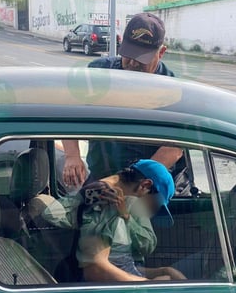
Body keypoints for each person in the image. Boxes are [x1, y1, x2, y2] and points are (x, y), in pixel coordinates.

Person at [62, 12, 183, 188]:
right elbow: (68, 109)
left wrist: (129, 186)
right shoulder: (98, 74)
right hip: (101, 178)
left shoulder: (173, 90)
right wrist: (72, 155)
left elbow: (173, 147)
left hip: (145, 185)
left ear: (161, 52)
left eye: (141, 58)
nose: (133, 63)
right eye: (129, 54)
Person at [76, 159, 186, 282]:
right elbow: (96, 270)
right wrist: (149, 285)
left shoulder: (120, 211)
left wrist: (163, 271)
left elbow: (122, 266)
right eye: (152, 207)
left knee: (168, 275)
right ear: (144, 186)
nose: (150, 216)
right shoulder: (105, 201)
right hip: (97, 292)